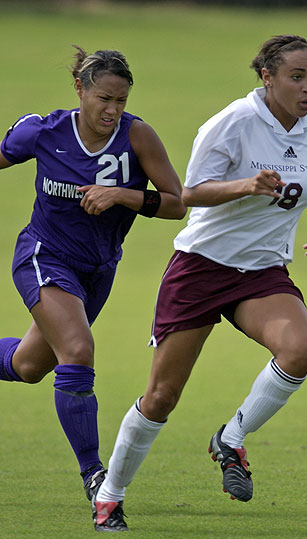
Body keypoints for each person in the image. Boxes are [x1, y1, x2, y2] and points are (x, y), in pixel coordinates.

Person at [93, 34, 307, 531]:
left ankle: (230, 438)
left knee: (300, 351)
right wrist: (246, 185)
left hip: (262, 270)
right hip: (202, 267)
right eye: (297, 77)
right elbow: (189, 193)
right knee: (162, 396)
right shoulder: (233, 124)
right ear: (267, 77)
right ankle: (110, 496)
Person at [0, 46, 186, 513]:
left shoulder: (137, 137)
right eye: (103, 98)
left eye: (120, 101)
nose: (111, 110)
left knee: (29, 366)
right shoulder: (44, 132)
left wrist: (121, 195)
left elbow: (177, 203)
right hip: (43, 256)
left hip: (98, 270)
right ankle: (94, 476)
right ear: (80, 89)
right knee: (79, 352)